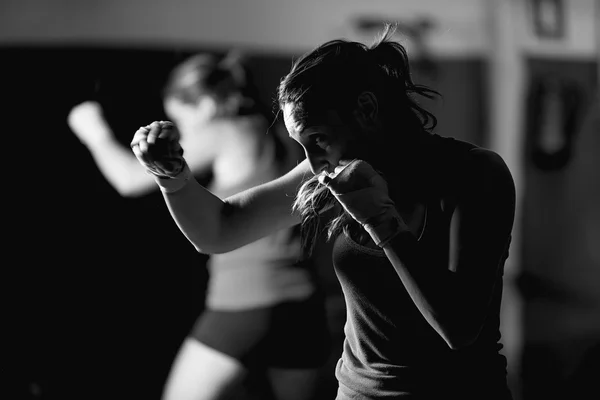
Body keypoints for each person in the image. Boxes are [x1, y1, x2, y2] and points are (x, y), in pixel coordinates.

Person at [130, 24, 516, 400]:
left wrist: (382, 223)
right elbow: (218, 231)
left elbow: (459, 327)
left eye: (318, 138)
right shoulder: (328, 171)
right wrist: (174, 180)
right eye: (303, 145)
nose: (314, 161)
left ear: (366, 108)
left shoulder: (475, 173)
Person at [68, 52, 331, 400]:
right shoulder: (283, 133)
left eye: (183, 118)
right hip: (304, 308)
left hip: (244, 303)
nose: (189, 132)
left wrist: (94, 133)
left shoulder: (226, 129)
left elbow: (129, 180)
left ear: (206, 104)